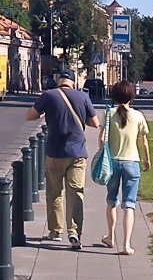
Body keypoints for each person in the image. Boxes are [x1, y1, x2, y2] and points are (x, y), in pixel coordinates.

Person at [26, 66, 99, 249]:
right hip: (77, 153)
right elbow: (95, 123)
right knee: (75, 193)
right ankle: (74, 231)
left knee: (54, 192)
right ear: (73, 82)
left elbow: (30, 116)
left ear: (59, 80)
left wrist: (47, 112)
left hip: (55, 152)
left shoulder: (49, 96)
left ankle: (55, 231)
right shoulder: (83, 97)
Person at [100, 79, 151, 255]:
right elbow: (143, 141)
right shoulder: (138, 116)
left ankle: (110, 237)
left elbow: (102, 138)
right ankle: (127, 244)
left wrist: (102, 155)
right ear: (132, 96)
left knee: (111, 201)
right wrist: (147, 160)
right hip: (132, 163)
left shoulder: (108, 114)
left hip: (112, 163)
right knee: (129, 204)